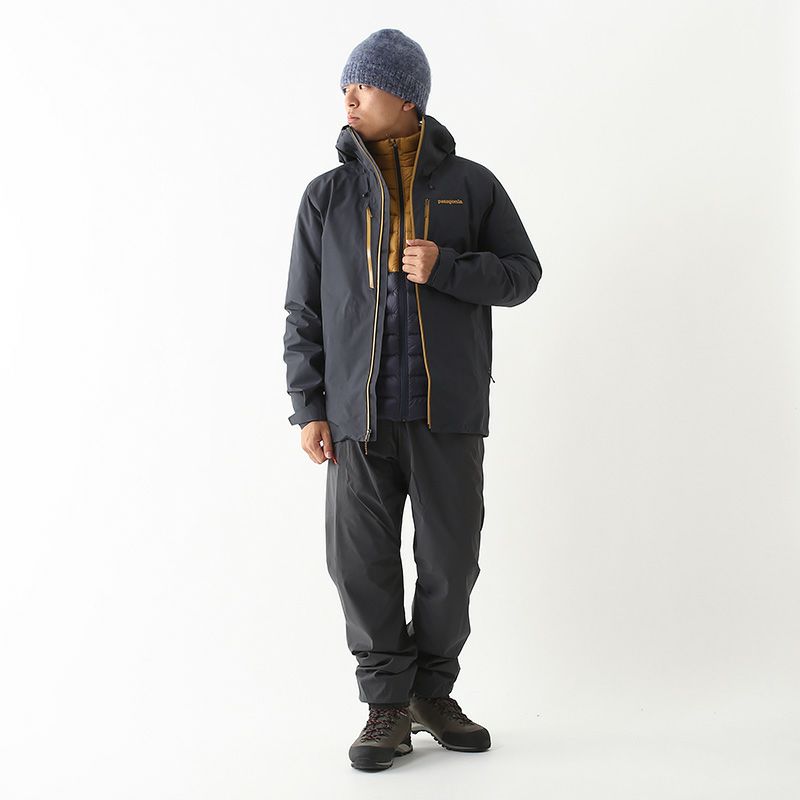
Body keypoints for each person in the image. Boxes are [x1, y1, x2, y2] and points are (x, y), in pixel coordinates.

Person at [283, 28, 542, 771]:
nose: (348, 99)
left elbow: (522, 274)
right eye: (345, 88)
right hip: (357, 420)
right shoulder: (327, 197)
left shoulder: (472, 186)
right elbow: (303, 310)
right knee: (360, 564)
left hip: (446, 415)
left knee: (451, 564)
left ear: (406, 97)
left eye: (362, 86)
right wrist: (310, 406)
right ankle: (386, 708)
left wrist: (448, 266)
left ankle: (433, 693)